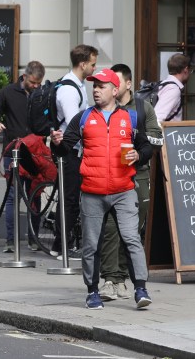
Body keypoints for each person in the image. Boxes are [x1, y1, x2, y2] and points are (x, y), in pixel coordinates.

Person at [52, 68, 154, 310]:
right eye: (94, 86)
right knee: (91, 244)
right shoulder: (84, 118)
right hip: (92, 191)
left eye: (101, 86)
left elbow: (147, 147)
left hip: (124, 190)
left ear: (115, 90)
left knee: (131, 239)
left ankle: (140, 289)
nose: (96, 90)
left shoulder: (130, 118)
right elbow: (65, 149)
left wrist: (138, 155)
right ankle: (92, 291)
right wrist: (56, 144)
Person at [97, 64, 163, 301]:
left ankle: (122, 278)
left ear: (127, 84)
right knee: (110, 230)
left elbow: (158, 139)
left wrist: (138, 140)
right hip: (110, 177)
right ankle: (109, 279)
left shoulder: (143, 109)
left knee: (132, 231)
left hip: (138, 176)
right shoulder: (103, 108)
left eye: (117, 81)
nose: (112, 86)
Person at [0, 61, 45, 252]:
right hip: (13, 150)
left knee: (35, 194)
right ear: (25, 76)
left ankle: (34, 238)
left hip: (35, 152)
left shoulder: (42, 93)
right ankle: (11, 241)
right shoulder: (8, 92)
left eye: (38, 83)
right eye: (33, 82)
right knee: (13, 196)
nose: (36, 86)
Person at [49, 44, 99, 259]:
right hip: (69, 151)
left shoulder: (76, 85)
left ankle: (59, 244)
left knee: (70, 197)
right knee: (69, 199)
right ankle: (61, 248)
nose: (94, 68)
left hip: (74, 150)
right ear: (83, 64)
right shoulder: (69, 89)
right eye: (93, 64)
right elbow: (73, 124)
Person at [155, 53, 192, 123]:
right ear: (186, 69)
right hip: (168, 133)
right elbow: (157, 118)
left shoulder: (164, 84)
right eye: (190, 71)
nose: (190, 74)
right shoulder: (173, 89)